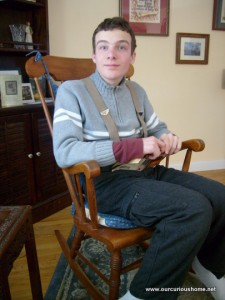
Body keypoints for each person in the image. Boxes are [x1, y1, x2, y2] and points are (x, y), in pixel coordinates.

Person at [53, 17, 225, 300]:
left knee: (219, 196)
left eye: (121, 47)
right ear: (94, 55)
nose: (111, 54)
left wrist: (168, 138)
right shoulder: (73, 92)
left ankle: (207, 265)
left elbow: (157, 128)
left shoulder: (137, 91)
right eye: (103, 47)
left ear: (132, 56)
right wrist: (132, 147)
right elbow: (65, 152)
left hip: (144, 173)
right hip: (104, 183)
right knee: (192, 209)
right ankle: (141, 296)